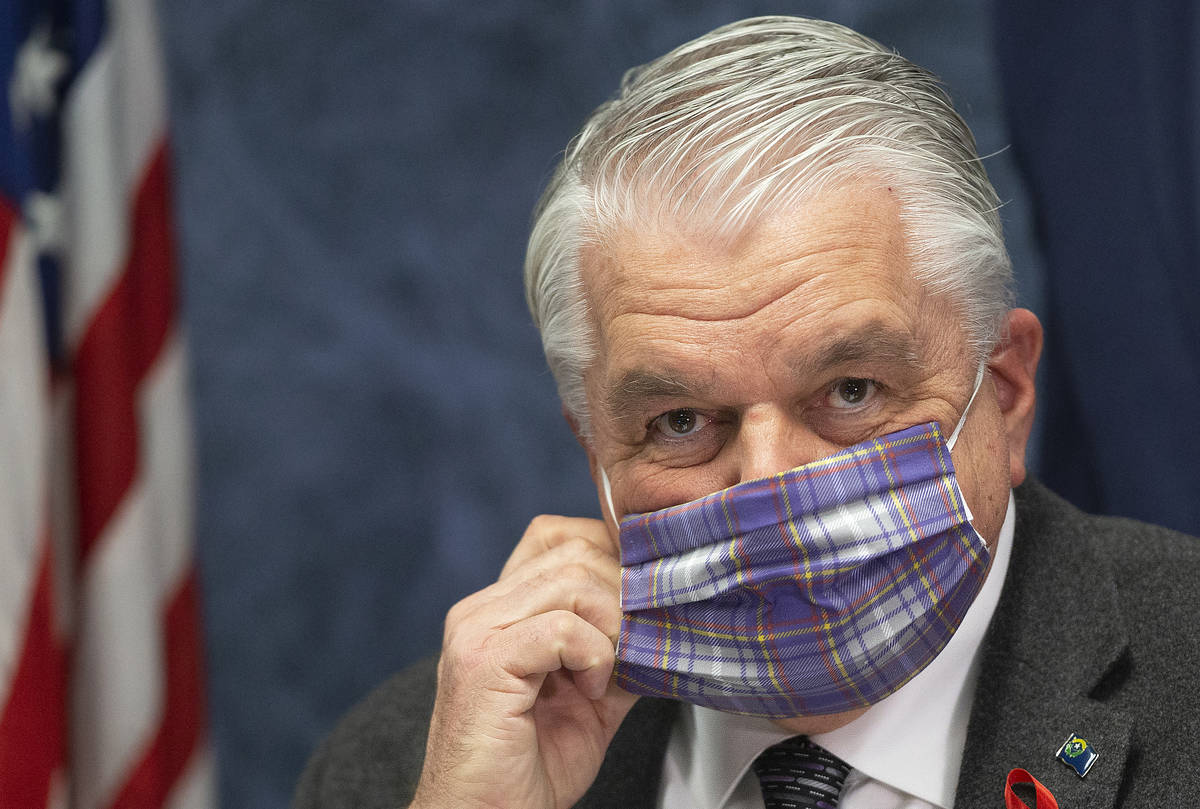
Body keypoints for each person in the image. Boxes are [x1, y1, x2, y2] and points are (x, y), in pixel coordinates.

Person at [294, 16, 1200, 809]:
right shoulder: (406, 767)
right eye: (681, 421)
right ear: (596, 456)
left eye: (851, 391)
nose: (770, 484)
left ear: (1002, 393)